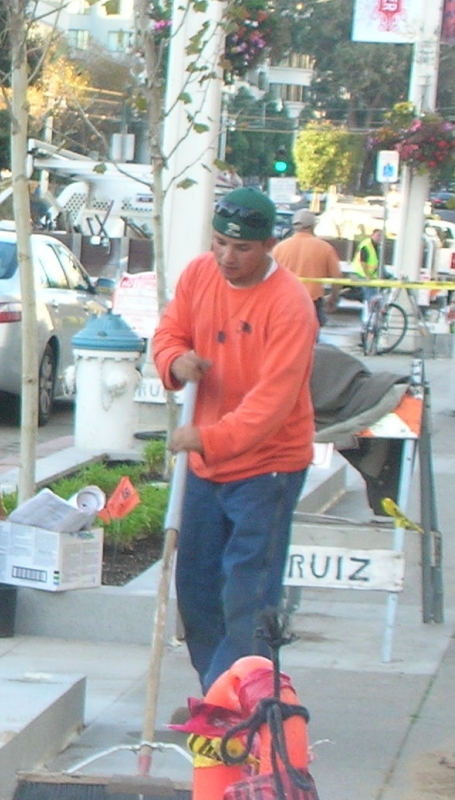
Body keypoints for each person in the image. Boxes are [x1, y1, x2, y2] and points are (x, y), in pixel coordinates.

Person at [151, 187, 318, 692]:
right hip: (206, 466)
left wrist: (207, 437)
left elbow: (272, 405)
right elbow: (169, 331)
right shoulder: (200, 274)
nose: (227, 257)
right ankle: (217, 692)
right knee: (196, 590)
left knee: (247, 593)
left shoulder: (291, 307)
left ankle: (238, 706)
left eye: (242, 248)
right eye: (220, 242)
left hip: (268, 467)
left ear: (270, 244)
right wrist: (175, 362)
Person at [272, 209, 341, 326]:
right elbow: (336, 277)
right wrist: (334, 297)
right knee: (310, 338)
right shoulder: (325, 248)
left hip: (284, 300)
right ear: (313, 225)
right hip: (311, 300)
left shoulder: (280, 248)